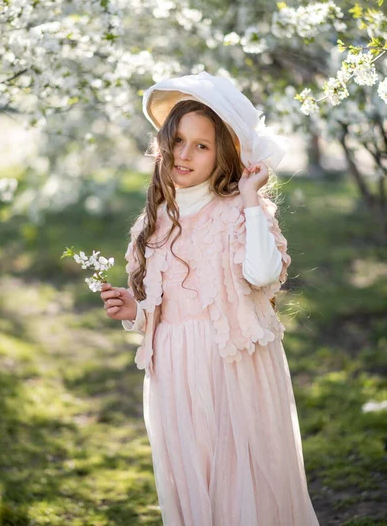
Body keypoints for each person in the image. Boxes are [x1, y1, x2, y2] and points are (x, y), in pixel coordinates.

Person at [101, 71, 319, 525]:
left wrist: (250, 202)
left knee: (242, 472)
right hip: (175, 368)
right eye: (178, 140)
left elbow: (261, 274)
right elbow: (166, 301)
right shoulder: (157, 219)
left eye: (201, 145)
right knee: (191, 468)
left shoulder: (238, 212)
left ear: (224, 154)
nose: (184, 154)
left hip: (230, 363)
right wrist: (135, 310)